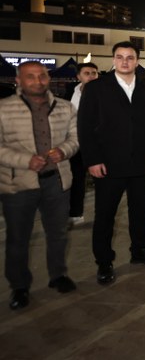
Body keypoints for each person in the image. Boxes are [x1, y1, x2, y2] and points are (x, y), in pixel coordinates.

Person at [78, 41, 145, 285]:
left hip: (141, 162)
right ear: (114, 60)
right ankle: (104, 261)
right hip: (109, 164)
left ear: (137, 61)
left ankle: (140, 250)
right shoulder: (96, 88)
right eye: (120, 57)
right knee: (105, 215)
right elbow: (85, 127)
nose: (125, 61)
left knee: (140, 211)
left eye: (130, 57)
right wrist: (92, 160)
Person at [0, 61, 79, 310]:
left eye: (42, 76)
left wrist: (63, 151)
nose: (38, 81)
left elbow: (75, 138)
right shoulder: (4, 108)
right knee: (18, 237)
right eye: (30, 77)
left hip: (56, 179)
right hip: (19, 182)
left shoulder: (65, 107)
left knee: (58, 233)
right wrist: (25, 161)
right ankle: (19, 286)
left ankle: (58, 274)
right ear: (18, 81)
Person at [67, 61, 98, 226]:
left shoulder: (106, 94)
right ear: (78, 76)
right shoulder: (69, 94)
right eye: (87, 73)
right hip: (76, 144)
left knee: (102, 180)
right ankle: (75, 213)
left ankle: (103, 215)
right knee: (76, 179)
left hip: (98, 145)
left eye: (94, 73)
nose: (91, 76)